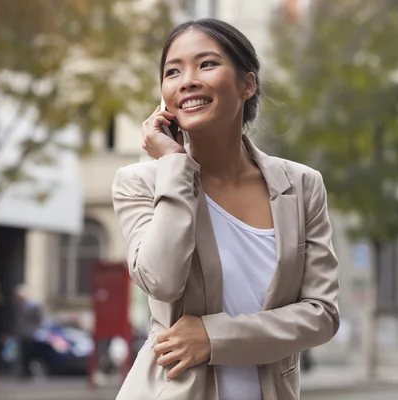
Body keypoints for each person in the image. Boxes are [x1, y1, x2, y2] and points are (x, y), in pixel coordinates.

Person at [112, 18, 340, 400]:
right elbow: (163, 280)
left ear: (247, 84)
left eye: (206, 64)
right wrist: (172, 164)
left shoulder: (301, 186)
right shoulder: (141, 183)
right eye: (173, 71)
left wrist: (214, 337)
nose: (187, 80)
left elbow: (322, 314)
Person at [13, 284, 42, 379]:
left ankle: (28, 371)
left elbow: (38, 319)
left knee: (28, 353)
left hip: (30, 333)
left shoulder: (32, 306)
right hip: (21, 333)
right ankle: (23, 371)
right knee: (22, 353)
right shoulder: (17, 306)